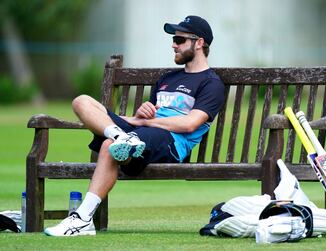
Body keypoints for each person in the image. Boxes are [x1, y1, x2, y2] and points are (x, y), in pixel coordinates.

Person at [44, 15, 225, 236]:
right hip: (141, 135)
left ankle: (82, 219)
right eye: (174, 39)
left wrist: (144, 121)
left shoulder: (211, 83)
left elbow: (189, 124)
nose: (173, 44)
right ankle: (121, 137)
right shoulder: (167, 79)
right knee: (81, 102)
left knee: (109, 146)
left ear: (199, 43)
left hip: (172, 143)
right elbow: (149, 118)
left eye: (179, 39)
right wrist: (140, 115)